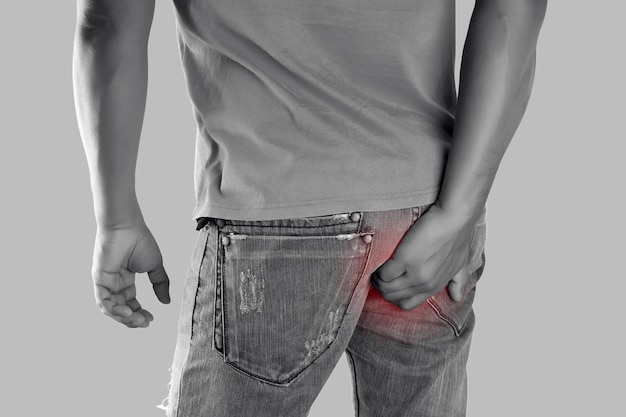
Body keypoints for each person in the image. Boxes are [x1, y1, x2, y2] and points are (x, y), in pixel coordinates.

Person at [73, 0, 546, 416]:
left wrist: (117, 217)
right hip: (426, 217)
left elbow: (108, 23)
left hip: (271, 214)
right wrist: (458, 212)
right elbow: (514, 8)